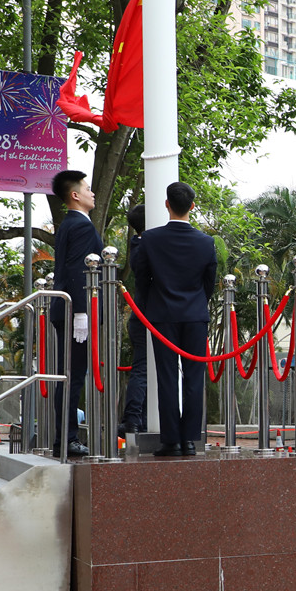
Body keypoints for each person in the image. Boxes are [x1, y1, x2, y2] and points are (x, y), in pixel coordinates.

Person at [130, 182, 217, 457]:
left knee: (166, 377)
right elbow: (209, 283)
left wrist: (152, 305)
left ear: (167, 204)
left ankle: (171, 441)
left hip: (162, 314)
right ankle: (190, 440)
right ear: (192, 206)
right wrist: (197, 302)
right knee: (194, 378)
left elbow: (141, 279)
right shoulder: (206, 242)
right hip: (195, 316)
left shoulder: (150, 239)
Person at [48, 170, 103, 457]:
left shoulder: (71, 223)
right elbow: (77, 269)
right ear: (75, 195)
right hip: (75, 312)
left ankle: (64, 437)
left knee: (70, 374)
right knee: (73, 375)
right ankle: (67, 438)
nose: (92, 193)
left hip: (68, 309)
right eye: (87, 188)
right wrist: (82, 311)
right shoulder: (81, 226)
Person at [118, 204, 148, 436]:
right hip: (145, 316)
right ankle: (133, 419)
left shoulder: (139, 244)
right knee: (142, 369)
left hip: (143, 315)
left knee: (145, 370)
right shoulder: (142, 245)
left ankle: (141, 419)